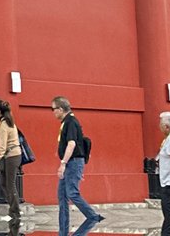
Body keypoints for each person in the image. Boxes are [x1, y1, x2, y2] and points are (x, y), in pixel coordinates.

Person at [53, 95, 103, 236]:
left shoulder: (71, 122)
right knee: (62, 194)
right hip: (70, 162)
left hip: (73, 162)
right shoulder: (66, 122)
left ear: (61, 109)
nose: (53, 112)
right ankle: (63, 226)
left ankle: (93, 216)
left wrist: (63, 163)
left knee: (72, 193)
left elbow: (72, 143)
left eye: (54, 109)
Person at [0, 97, 23, 227]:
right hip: (10, 156)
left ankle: (15, 213)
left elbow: (2, 147)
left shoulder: (4, 125)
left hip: (12, 156)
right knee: (3, 182)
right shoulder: (8, 122)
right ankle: (13, 210)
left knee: (10, 184)